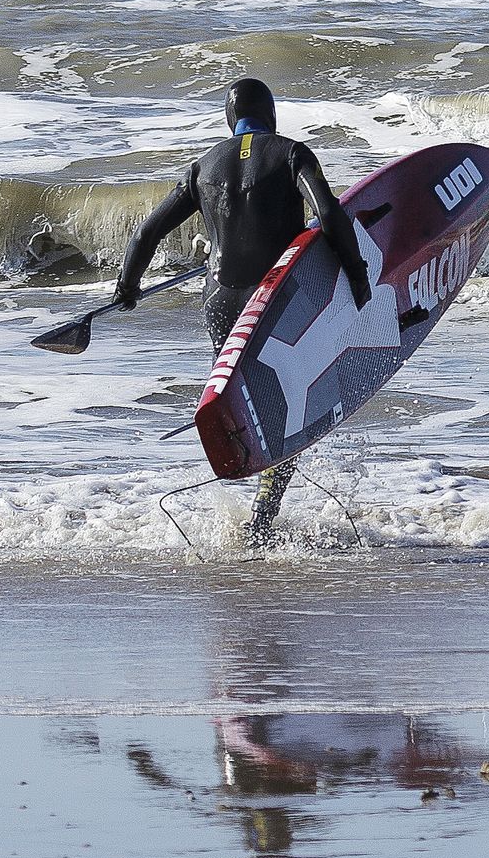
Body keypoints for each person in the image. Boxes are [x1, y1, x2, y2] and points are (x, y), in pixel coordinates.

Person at [113, 77, 370, 540]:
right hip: (273, 298)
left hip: (220, 299)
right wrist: (356, 273)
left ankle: (242, 488)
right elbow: (329, 214)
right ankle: (262, 520)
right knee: (287, 400)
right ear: (271, 115)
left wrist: (127, 286)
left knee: (246, 399)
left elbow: (145, 233)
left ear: (231, 120)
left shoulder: (202, 166)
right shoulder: (291, 153)